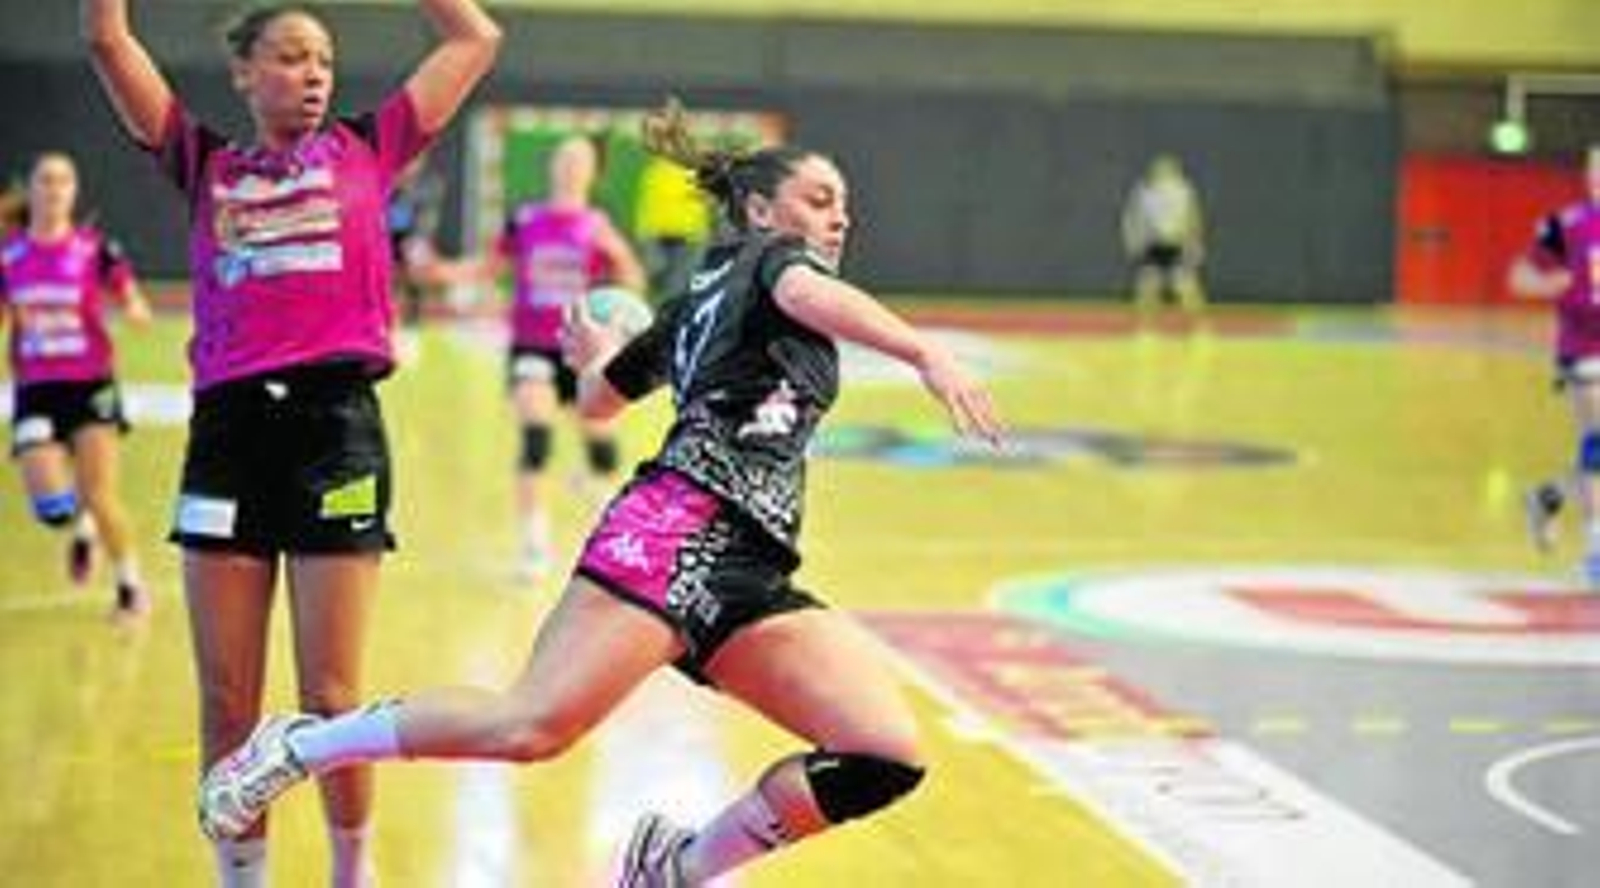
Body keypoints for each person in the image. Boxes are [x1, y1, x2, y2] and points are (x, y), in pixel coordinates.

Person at [196, 97, 1004, 886]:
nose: (840, 219)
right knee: (529, 726)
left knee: (881, 753)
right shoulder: (774, 264)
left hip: (750, 564)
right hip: (679, 528)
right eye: (820, 200)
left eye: (844, 206)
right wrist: (923, 352)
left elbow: (598, 403)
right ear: (761, 211)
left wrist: (597, 355)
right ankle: (300, 745)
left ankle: (677, 867)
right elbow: (803, 292)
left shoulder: (693, 305)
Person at [82, 1, 500, 885]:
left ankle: (352, 873)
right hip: (229, 437)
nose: (313, 75)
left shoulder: (368, 147)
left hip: (335, 432)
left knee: (332, 699)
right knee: (227, 700)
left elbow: (475, 38)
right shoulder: (204, 162)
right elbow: (107, 39)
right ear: (244, 72)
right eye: (290, 57)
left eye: (323, 60)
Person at [1, 151, 153, 622]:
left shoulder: (94, 250)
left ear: (74, 191)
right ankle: (79, 524)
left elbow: (132, 299)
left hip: (90, 385)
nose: (54, 189)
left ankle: (130, 588)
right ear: (32, 189)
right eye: (45, 180)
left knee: (100, 492)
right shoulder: (10, 255)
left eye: (63, 181)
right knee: (53, 508)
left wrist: (132, 308)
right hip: (36, 388)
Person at [492, 133, 647, 581]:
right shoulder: (525, 220)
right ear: (553, 165)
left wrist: (619, 258)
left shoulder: (597, 225)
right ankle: (534, 544)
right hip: (532, 345)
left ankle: (604, 511)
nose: (570, 166)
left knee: (601, 445)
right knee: (536, 437)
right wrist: (440, 273)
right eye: (564, 158)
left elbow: (633, 282)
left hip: (580, 347)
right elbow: (488, 267)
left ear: (592, 173)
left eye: (580, 160)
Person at [1512, 144, 1600, 584]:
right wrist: (1548, 283)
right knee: (1597, 442)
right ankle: (1596, 551)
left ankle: (1547, 498)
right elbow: (1520, 275)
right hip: (1582, 351)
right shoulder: (1564, 226)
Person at [1122, 153, 1207, 317]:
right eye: (1160, 170)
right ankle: (1146, 325)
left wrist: (1195, 243)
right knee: (1148, 285)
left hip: (1178, 243)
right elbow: (1133, 217)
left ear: (1176, 172)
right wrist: (1133, 240)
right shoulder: (1143, 192)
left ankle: (1200, 324)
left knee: (1185, 284)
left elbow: (1194, 218)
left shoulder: (1185, 191)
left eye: (1168, 170)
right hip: (1153, 244)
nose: (1164, 173)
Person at [635, 151, 712, 300]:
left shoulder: (695, 174)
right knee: (657, 270)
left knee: (676, 286)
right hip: (659, 234)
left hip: (688, 236)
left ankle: (671, 306)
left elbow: (707, 204)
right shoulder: (652, 173)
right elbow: (645, 207)